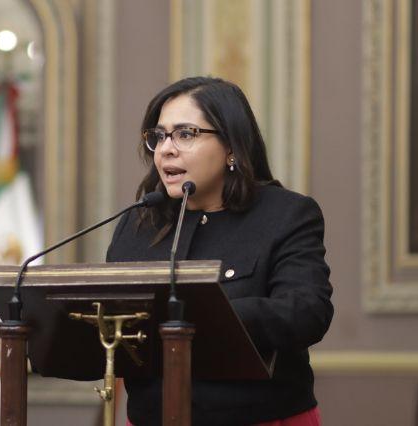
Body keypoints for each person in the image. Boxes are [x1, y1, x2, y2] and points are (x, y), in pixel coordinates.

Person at [106, 76, 333, 425]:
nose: (166, 148)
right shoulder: (138, 223)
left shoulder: (286, 214)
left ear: (231, 146)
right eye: (159, 136)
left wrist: (206, 317)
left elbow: (306, 312)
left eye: (185, 134)